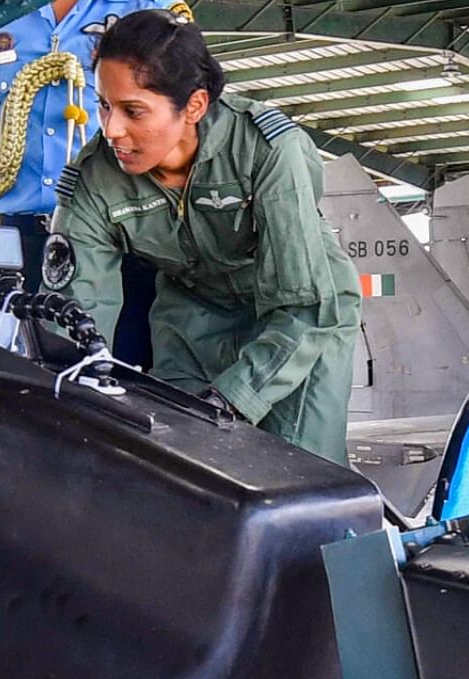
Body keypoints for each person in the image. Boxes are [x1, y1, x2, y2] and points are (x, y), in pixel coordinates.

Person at [47, 9, 361, 464]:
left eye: (133, 110)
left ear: (194, 106)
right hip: (192, 316)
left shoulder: (269, 151)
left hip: (301, 320)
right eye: (104, 105)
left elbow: (302, 304)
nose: (111, 129)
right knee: (185, 468)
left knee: (299, 475)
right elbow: (75, 315)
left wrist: (232, 399)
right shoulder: (94, 178)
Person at [0, 0, 186, 367]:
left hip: (126, 245)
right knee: (31, 395)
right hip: (23, 253)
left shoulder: (150, 9)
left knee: (134, 390)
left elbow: (186, 135)